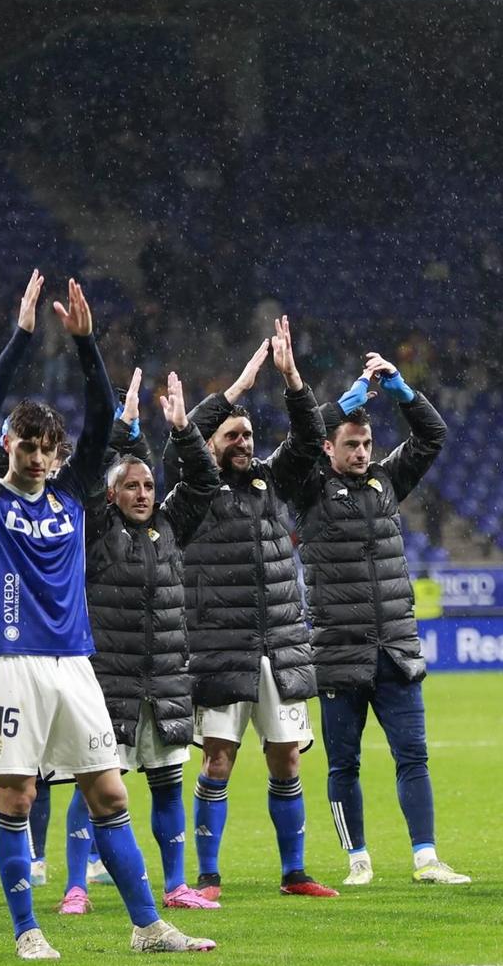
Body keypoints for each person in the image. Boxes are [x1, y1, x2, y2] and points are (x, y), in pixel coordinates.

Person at [0, 271, 213, 960]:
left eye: (46, 449)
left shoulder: (71, 495)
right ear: (9, 447)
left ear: (60, 455)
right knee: (16, 794)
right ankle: (26, 929)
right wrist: (20, 337)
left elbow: (102, 412)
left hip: (76, 663)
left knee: (107, 790)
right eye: (25, 446)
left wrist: (86, 342)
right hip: (14, 665)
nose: (36, 457)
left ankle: (147, 924)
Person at [274, 349, 470, 886]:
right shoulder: (309, 486)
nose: (362, 452)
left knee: (414, 756)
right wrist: (349, 397)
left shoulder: (386, 482)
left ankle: (426, 858)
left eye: (366, 444)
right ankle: (358, 859)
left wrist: (402, 390)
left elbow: (432, 437)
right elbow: (296, 447)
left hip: (396, 649)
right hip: (338, 651)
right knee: (344, 765)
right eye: (351, 444)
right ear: (329, 447)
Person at [181, 323, 335, 900]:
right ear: (212, 445)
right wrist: (238, 387)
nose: (243, 442)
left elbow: (309, 433)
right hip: (221, 648)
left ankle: (294, 873)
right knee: (217, 760)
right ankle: (209, 877)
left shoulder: (271, 483)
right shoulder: (193, 491)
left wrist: (293, 379)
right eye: (231, 436)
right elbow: (185, 434)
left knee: (287, 759)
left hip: (278, 644)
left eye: (247, 435)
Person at [61, 368, 224, 914]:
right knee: (94, 788)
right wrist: (119, 429)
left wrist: (183, 431)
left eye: (149, 485)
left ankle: (176, 885)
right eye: (131, 485)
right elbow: (81, 483)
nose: (142, 493)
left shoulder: (170, 526)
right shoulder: (96, 530)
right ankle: (76, 886)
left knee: (166, 783)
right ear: (112, 494)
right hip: (109, 680)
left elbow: (203, 483)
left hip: (166, 680)